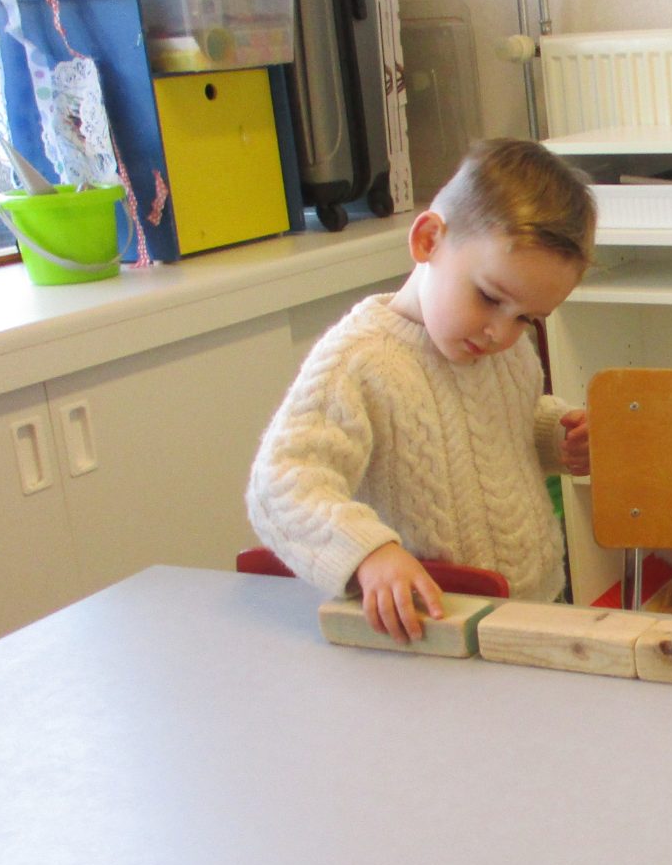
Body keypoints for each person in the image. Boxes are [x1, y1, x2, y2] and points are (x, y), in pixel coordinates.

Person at [247, 138, 594, 642]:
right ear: (428, 240)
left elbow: (498, 425)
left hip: (531, 611)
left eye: (527, 318)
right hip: (427, 630)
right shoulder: (359, 360)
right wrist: (368, 552)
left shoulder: (508, 352)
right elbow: (280, 484)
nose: (500, 332)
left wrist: (554, 435)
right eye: (489, 297)